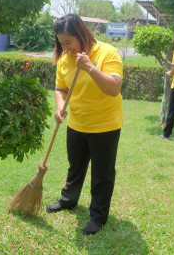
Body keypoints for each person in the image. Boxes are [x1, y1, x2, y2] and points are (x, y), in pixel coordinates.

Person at [45, 13, 123, 236]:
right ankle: (68, 200)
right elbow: (61, 88)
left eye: (69, 41)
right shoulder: (64, 59)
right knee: (75, 166)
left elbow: (114, 88)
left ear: (81, 34)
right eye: (61, 43)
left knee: (102, 173)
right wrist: (60, 107)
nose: (65, 47)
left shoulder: (107, 52)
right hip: (77, 123)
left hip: (105, 125)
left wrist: (90, 67)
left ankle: (98, 217)